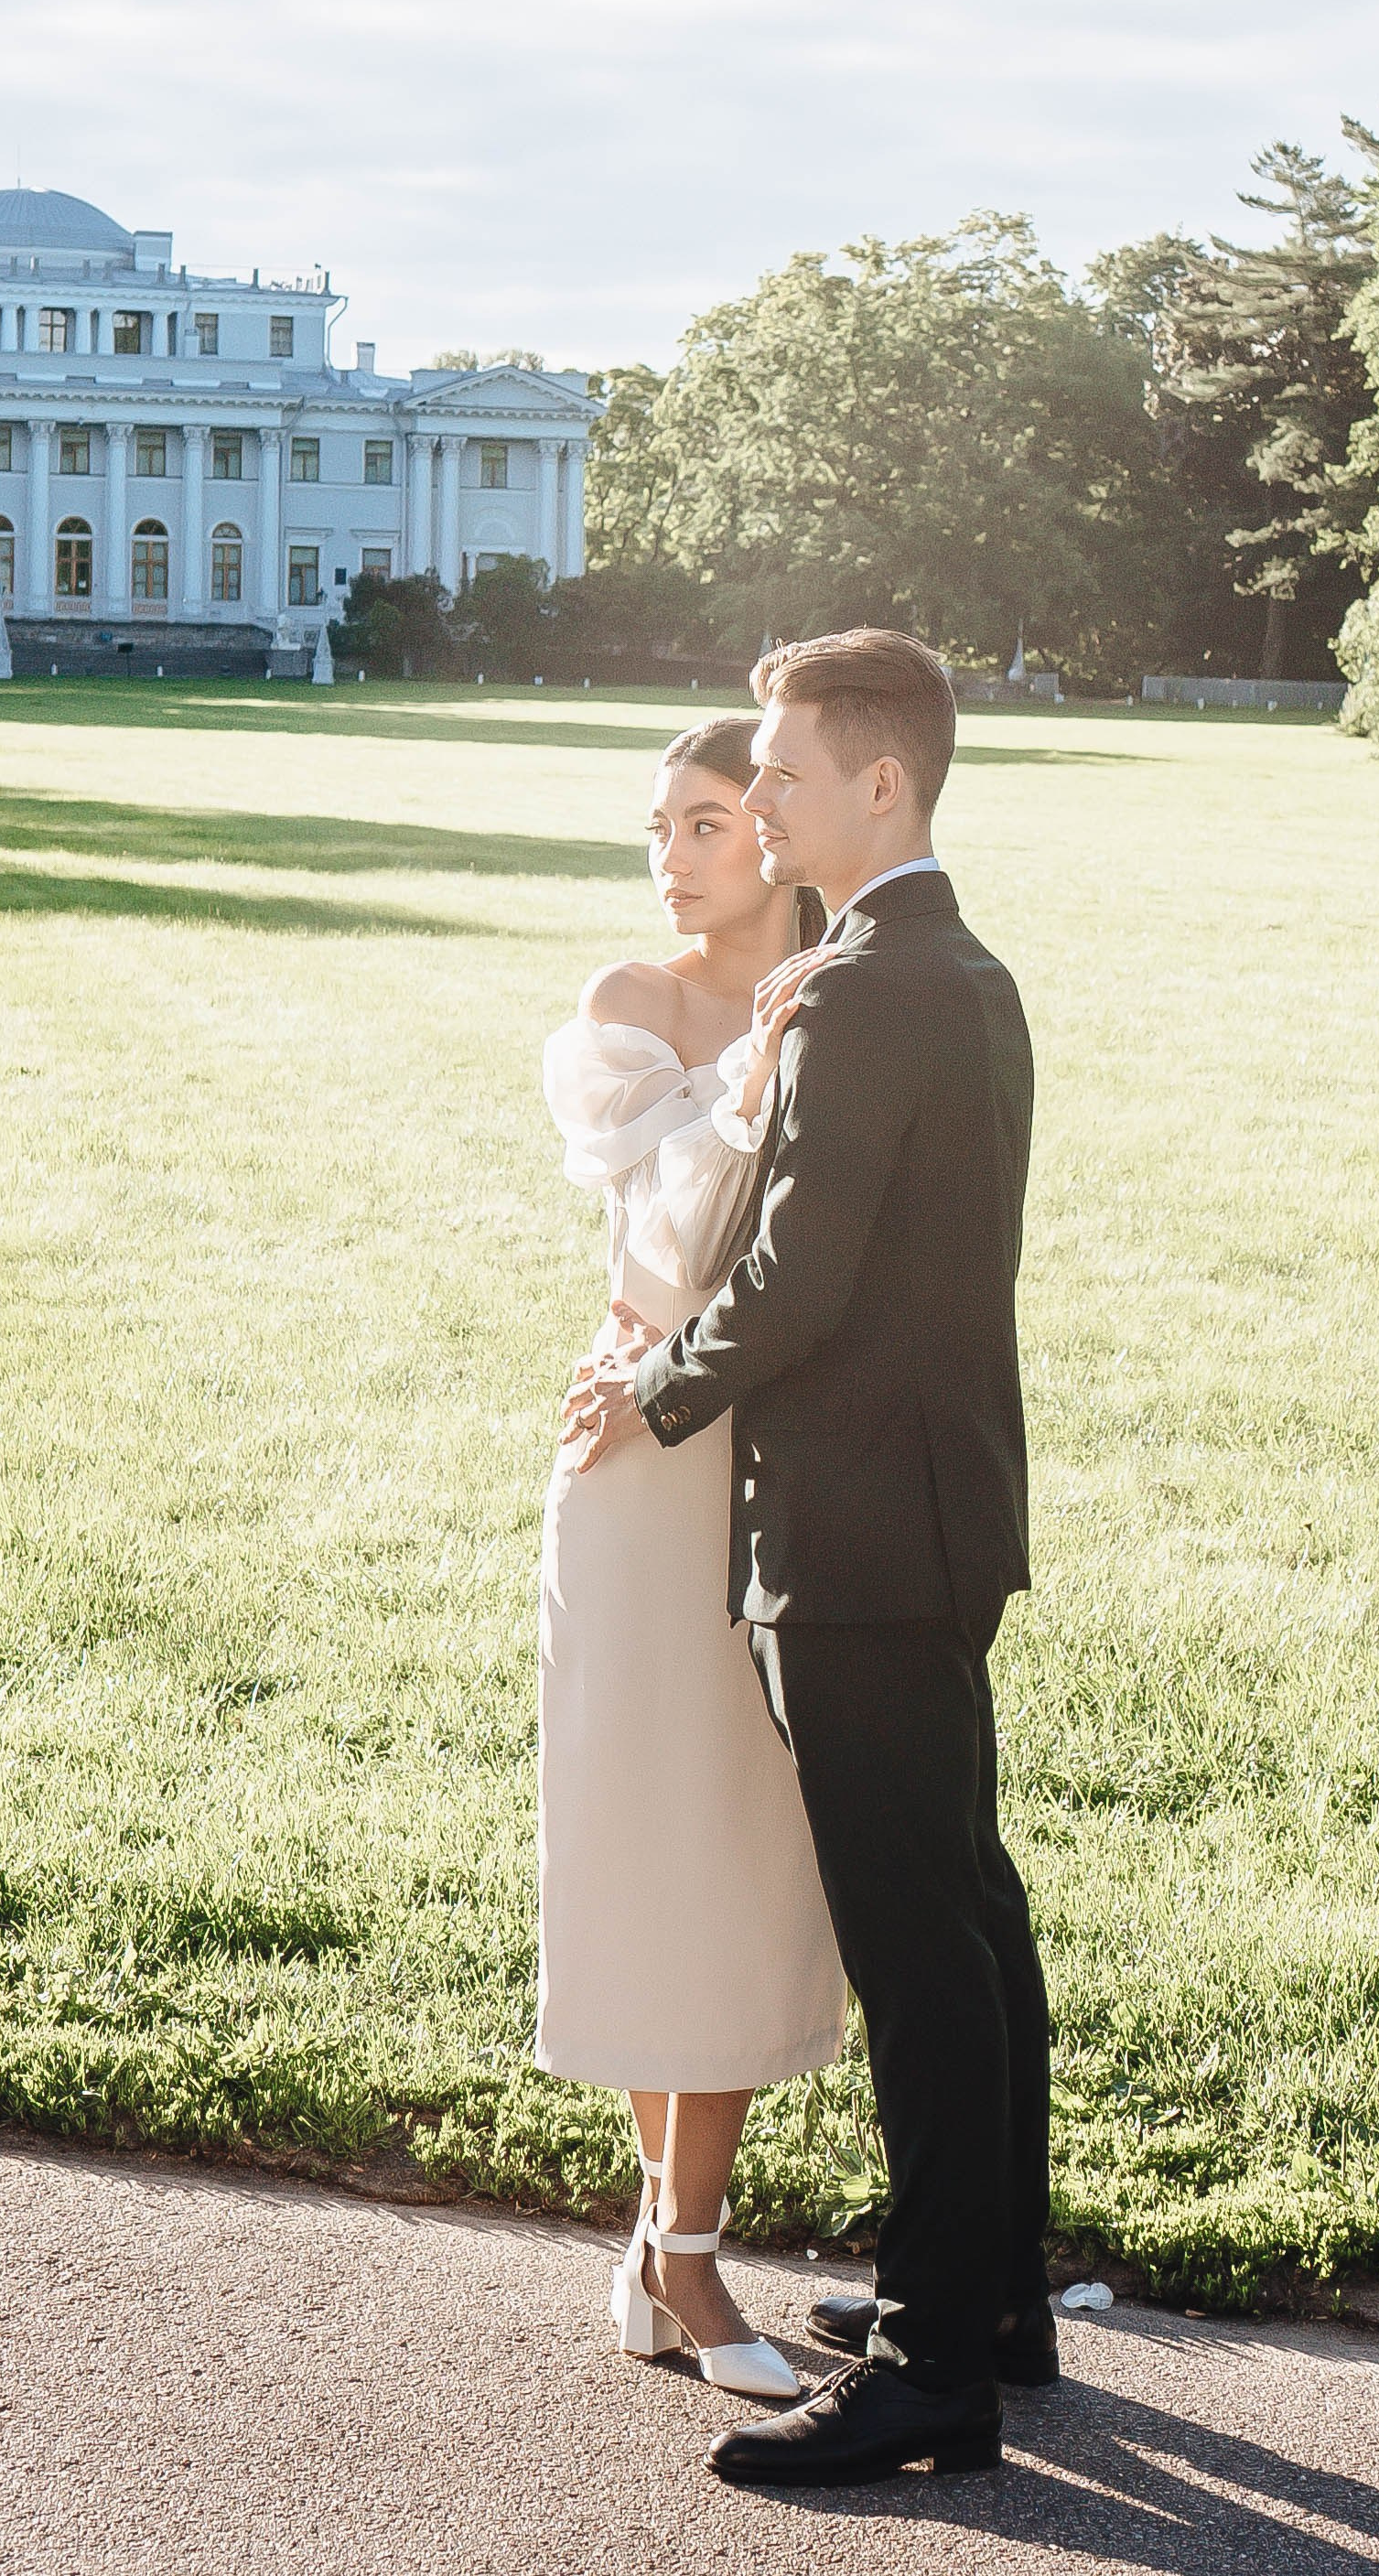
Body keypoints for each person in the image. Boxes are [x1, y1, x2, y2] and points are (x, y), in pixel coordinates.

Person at [566, 629, 1052, 2490]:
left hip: (851, 1530)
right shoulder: (960, 967)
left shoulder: (863, 991)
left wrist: (649, 1393)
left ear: (879, 785)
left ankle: (937, 2366)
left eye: (775, 776)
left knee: (921, 1942)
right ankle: (988, 2290)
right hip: (934, 1510)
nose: (752, 806)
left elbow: (791, 1286)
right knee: (969, 1914)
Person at [539, 716, 846, 2403]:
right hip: (635, 1448)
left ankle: (670, 2246)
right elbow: (667, 1238)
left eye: (711, 819)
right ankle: (684, 2252)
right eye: (659, 822)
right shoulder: (629, 1007)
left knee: (741, 1845)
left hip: (786, 1463)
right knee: (654, 1841)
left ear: (781, 830)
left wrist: (791, 1052)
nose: (672, 852)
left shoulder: (845, 984)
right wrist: (751, 1073)